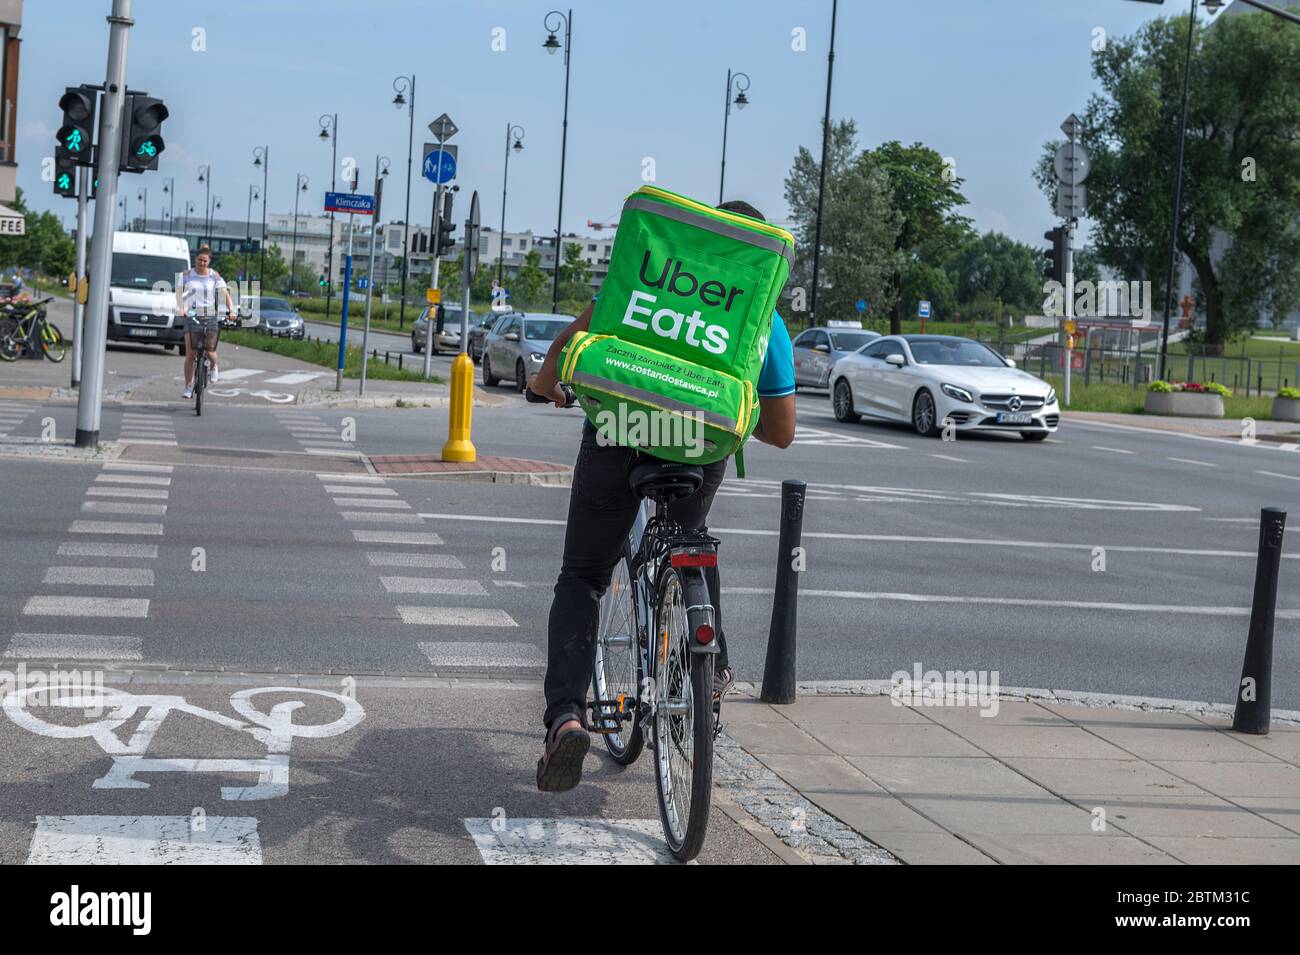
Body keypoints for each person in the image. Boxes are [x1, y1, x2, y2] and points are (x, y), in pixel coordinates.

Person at [527, 199, 797, 792]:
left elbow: (561, 357)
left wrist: (546, 386)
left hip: (619, 433)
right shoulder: (760, 318)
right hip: (699, 448)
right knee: (691, 541)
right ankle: (712, 663)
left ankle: (568, 718)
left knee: (583, 577)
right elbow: (780, 433)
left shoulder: (650, 280)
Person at [176, 245, 237, 399]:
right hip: (192, 316)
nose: (202, 263)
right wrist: (181, 307)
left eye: (205, 261)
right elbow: (178, 292)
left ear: (209, 261)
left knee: (210, 350)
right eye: (199, 260)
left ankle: (214, 366)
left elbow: (225, 294)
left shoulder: (214, 276)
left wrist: (232, 310)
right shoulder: (187, 275)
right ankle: (188, 386)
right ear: (195, 259)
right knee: (190, 354)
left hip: (210, 316)